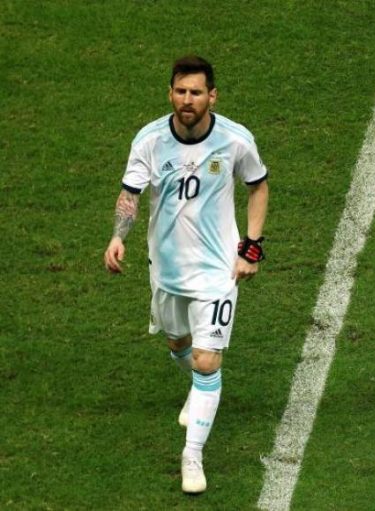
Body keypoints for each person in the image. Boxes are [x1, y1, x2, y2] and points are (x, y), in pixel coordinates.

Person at [103, 55, 269, 494]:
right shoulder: (151, 140)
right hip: (168, 269)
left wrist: (251, 248)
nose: (187, 100)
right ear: (171, 93)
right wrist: (119, 236)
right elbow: (131, 193)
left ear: (211, 96)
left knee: (206, 358)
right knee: (178, 344)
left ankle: (191, 455)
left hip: (217, 272)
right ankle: (199, 389)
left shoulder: (235, 140)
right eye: (180, 91)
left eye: (196, 92)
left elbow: (258, 185)